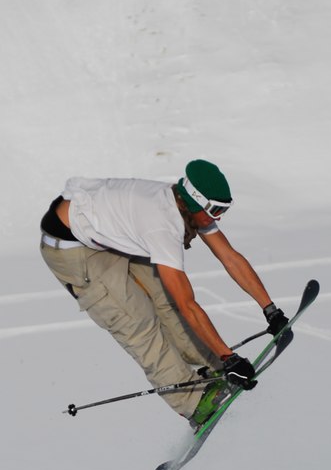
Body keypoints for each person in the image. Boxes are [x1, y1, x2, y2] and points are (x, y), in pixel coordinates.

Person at [39, 159, 290, 428]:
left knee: (166, 299)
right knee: (136, 321)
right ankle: (194, 403)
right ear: (195, 201)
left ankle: (212, 367)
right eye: (216, 210)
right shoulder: (162, 225)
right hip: (73, 248)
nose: (218, 217)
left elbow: (230, 257)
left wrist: (270, 309)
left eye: (224, 210)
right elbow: (188, 304)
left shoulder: (188, 209)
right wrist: (231, 358)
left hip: (108, 232)